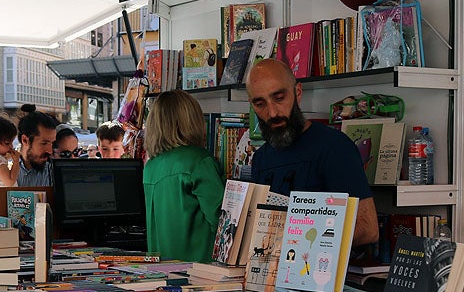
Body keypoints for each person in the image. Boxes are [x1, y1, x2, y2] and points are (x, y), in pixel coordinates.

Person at [245, 59, 378, 246]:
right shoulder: (261, 159)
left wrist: (304, 242)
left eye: (279, 98)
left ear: (297, 92)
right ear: (252, 105)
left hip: (319, 270)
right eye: (260, 104)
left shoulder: (334, 147)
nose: (273, 112)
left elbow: (368, 229)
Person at [142, 90, 225, 262]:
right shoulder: (199, 161)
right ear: (192, 120)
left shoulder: (150, 167)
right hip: (200, 270)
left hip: (161, 269)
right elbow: (222, 221)